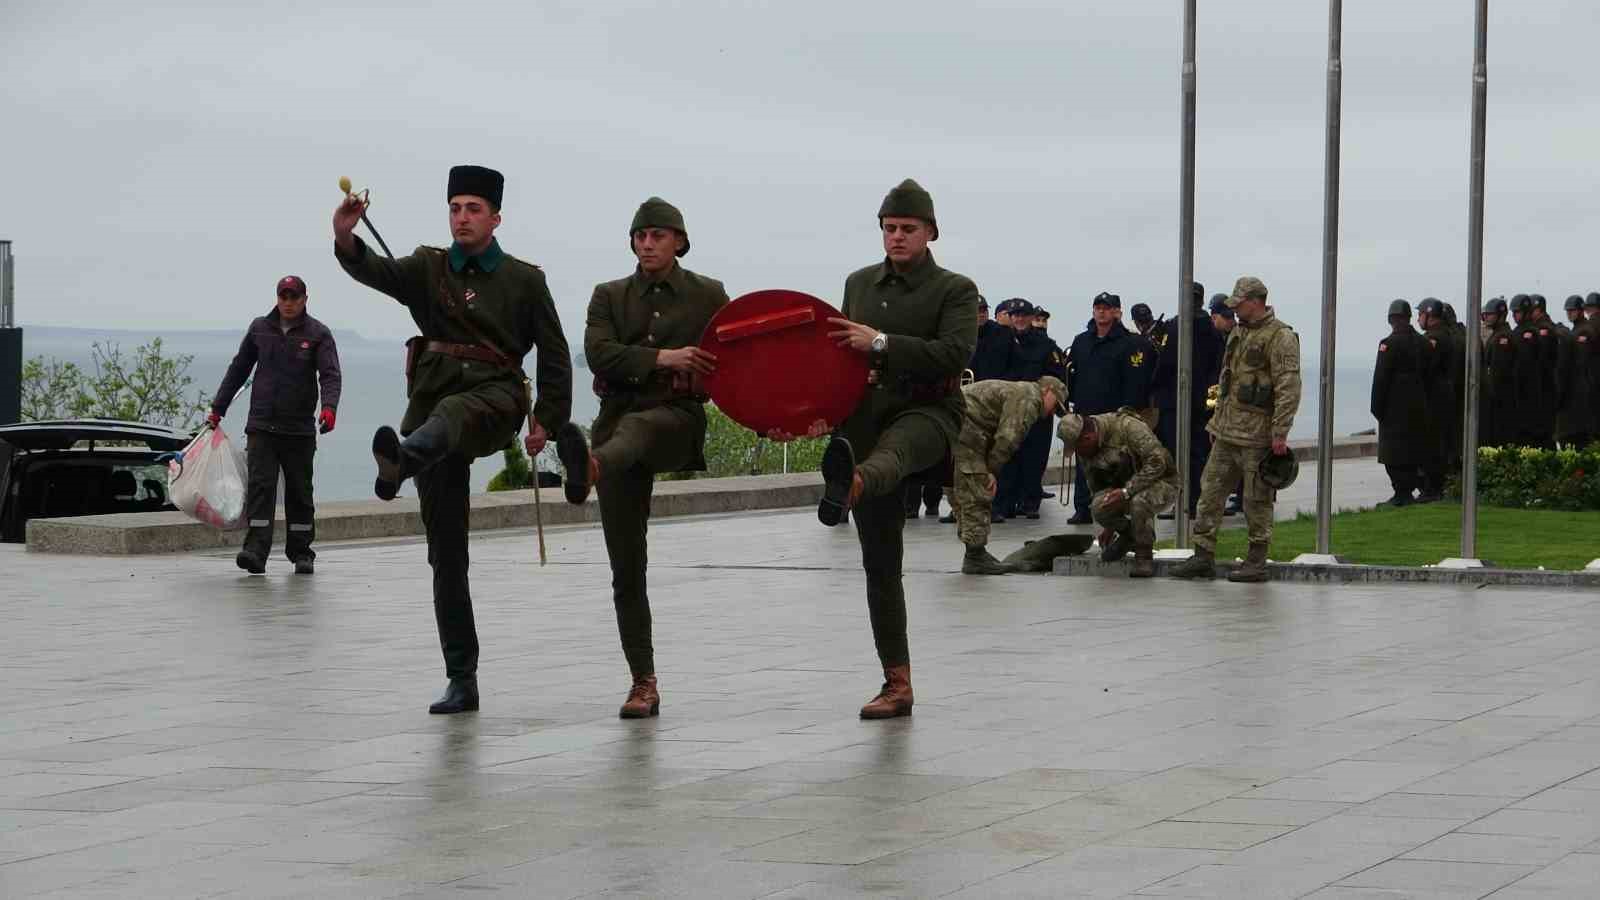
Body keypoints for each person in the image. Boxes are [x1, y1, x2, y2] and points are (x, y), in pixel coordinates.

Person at [333, 164, 579, 715]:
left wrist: (547, 421)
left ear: (495, 217)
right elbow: (376, 271)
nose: (461, 217)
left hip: (493, 401)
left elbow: (556, 354)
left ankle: (403, 461)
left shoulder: (523, 279)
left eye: (472, 208)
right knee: (446, 553)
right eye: (454, 208)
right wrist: (346, 234)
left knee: (452, 412)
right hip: (432, 415)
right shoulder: (429, 267)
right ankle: (461, 677)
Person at [803, 178, 978, 719]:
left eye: (907, 228)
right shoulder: (858, 284)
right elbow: (836, 358)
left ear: (930, 232)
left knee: (896, 454)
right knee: (880, 564)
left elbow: (953, 354)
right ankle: (896, 683)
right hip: (864, 416)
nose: (897, 237)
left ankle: (850, 483)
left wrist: (880, 342)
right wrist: (815, 415)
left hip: (929, 411)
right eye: (889, 228)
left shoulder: (955, 289)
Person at [584, 197, 728, 719]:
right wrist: (664, 357)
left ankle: (592, 467)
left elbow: (736, 358)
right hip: (616, 423)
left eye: (658, 236)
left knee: (638, 429)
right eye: (640, 236)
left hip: (676, 420)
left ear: (679, 242)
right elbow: (599, 353)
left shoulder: (708, 294)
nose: (647, 244)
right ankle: (642, 681)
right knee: (626, 566)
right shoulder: (609, 295)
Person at [209, 275, 342, 576]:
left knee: (299, 492)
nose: (289, 302)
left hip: (299, 430)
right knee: (260, 489)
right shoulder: (260, 328)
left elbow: (330, 375)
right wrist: (218, 408)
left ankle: (301, 552)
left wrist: (329, 408)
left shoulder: (319, 334)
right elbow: (238, 370)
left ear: (305, 299)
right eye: (284, 296)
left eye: (294, 297)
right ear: (277, 298)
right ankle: (255, 550)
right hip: (261, 427)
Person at [1171, 276, 1301, 582]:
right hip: (1227, 431)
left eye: (1239, 304)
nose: (1235, 310)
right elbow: (1225, 377)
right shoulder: (1238, 332)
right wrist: (1216, 420)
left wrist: (1280, 432)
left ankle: (1257, 560)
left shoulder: (1280, 337)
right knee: (1210, 491)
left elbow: (1288, 386)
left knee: (1256, 500)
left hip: (1258, 436)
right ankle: (1203, 555)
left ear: (1256, 301)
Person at [952, 376, 1065, 575]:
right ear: (1047, 390)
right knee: (979, 488)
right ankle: (975, 556)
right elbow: (1008, 437)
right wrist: (992, 470)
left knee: (964, 491)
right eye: (1055, 406)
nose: (1052, 413)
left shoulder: (1019, 390)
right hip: (966, 427)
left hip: (956, 422)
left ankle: (974, 552)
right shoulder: (1029, 397)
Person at [1058, 408, 1178, 578]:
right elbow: (1096, 488)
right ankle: (1130, 535)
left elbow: (1158, 462)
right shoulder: (1086, 449)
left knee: (1139, 502)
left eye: (1078, 448)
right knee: (1099, 506)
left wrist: (1126, 492)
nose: (1078, 453)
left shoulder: (1127, 426)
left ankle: (1144, 555)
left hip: (1162, 482)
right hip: (1126, 489)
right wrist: (1109, 526)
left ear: (1088, 438)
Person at [1064, 292, 1145, 524]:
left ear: (1117, 312)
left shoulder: (1130, 342)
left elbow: (1134, 380)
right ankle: (1083, 507)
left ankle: (1114, 508)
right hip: (1085, 412)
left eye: (1107, 308)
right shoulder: (1081, 341)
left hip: (1114, 415)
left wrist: (1128, 411)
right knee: (1084, 463)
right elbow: (1072, 374)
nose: (1102, 312)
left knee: (1116, 464)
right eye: (1098, 307)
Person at [1151, 284, 1224, 519]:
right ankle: (1196, 502)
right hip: (1203, 401)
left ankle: (1185, 501)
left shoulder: (1176, 326)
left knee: (1178, 454)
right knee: (1199, 454)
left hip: (1176, 400)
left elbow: (1165, 363)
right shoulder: (1211, 329)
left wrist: (1155, 388)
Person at [1372, 300, 1434, 507]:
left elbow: (1381, 380)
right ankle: (1407, 491)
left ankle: (1402, 493)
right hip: (1419, 406)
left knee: (1393, 455)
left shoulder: (1388, 344)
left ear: (1392, 319)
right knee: (1412, 452)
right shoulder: (1424, 343)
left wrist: (1377, 409)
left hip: (1393, 409)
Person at [1416, 297, 1462, 501]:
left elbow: (1426, 368)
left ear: (1430, 316)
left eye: (1421, 315)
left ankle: (1433, 489)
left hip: (1435, 397)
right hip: (1445, 395)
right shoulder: (1446, 335)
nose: (1418, 319)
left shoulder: (1434, 338)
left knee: (1434, 445)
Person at [1509, 294, 1555, 448]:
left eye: (1518, 312)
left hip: (1528, 391)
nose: (1515, 316)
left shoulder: (1528, 333)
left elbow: (1524, 365)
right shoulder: (1522, 331)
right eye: (1513, 312)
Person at [1556, 295, 1594, 448]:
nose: (1569, 314)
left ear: (1581, 311)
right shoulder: (1576, 330)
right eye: (1568, 311)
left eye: (1573, 311)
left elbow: (1581, 361)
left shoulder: (1584, 331)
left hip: (1582, 387)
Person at [1480, 296, 1518, 448]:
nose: (1486, 317)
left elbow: (1498, 372)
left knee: (1500, 440)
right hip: (1500, 399)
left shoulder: (1503, 337)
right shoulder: (1498, 335)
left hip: (1500, 400)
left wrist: (1490, 394)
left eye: (1490, 314)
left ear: (1500, 315)